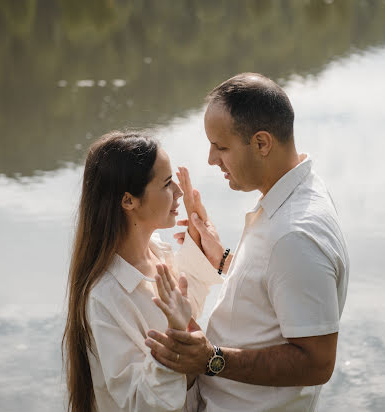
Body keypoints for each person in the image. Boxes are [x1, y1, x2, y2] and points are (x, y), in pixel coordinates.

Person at [145, 73, 350, 411]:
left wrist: (211, 359)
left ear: (261, 143)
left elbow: (316, 363)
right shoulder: (295, 192)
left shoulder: (295, 235)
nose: (212, 160)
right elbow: (274, 290)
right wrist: (223, 259)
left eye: (221, 147)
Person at [62, 131, 222, 412]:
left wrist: (199, 243)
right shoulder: (106, 296)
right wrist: (175, 335)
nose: (179, 192)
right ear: (128, 201)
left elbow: (187, 309)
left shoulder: (157, 253)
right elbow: (139, 403)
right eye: (166, 184)